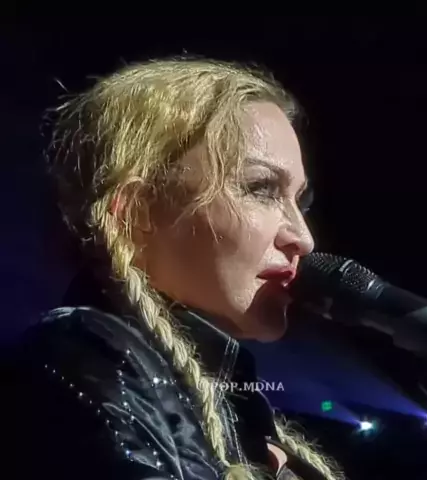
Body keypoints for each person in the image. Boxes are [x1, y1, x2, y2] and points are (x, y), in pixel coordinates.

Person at [8, 57, 344, 480]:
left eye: (301, 201)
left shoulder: (234, 406)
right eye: (261, 188)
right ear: (137, 212)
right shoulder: (82, 355)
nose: (304, 238)